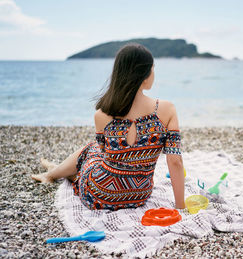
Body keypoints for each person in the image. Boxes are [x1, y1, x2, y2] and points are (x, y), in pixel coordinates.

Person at [32, 44, 185, 210]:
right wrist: (180, 206)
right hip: (139, 195)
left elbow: (105, 155)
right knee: (91, 155)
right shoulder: (167, 109)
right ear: (145, 73)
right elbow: (175, 161)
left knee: (90, 150)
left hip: (102, 194)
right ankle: (56, 172)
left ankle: (52, 173)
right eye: (153, 68)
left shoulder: (102, 114)